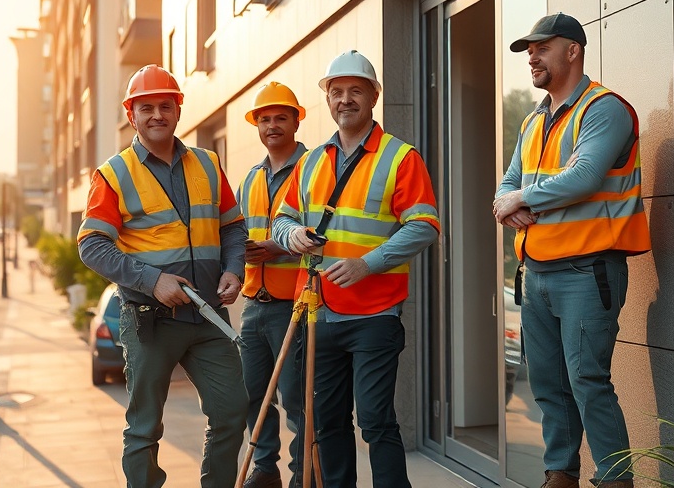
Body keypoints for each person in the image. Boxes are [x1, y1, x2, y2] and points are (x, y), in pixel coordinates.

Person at [492, 13, 651, 488]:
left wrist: (521, 199)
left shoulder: (604, 109)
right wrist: (508, 204)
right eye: (529, 52)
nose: (532, 59)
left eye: (541, 48)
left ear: (573, 51)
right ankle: (560, 475)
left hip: (588, 271)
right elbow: (507, 184)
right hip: (536, 273)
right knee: (548, 385)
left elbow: (583, 178)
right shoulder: (534, 120)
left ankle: (616, 480)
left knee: (588, 382)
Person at [272, 50, 441, 488]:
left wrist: (368, 264)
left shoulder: (400, 157)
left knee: (375, 420)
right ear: (328, 99)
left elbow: (424, 226)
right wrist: (291, 235)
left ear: (373, 97)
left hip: (374, 313)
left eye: (355, 91)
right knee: (327, 421)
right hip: (317, 313)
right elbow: (282, 218)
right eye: (337, 92)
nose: (345, 100)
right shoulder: (310, 161)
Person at [77, 64, 249, 488]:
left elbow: (232, 227)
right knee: (145, 427)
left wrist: (233, 268)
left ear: (178, 110)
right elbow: (91, 245)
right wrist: (153, 281)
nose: (157, 115)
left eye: (166, 106)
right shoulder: (113, 174)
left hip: (208, 316)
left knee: (232, 412)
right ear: (131, 115)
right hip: (150, 320)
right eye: (147, 107)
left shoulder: (208, 163)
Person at [237, 82, 310, 488]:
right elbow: (234, 232)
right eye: (264, 119)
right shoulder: (251, 178)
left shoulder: (313, 169)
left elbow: (323, 234)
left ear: (296, 121)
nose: (272, 125)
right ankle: (265, 468)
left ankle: (303, 474)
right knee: (252, 394)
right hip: (254, 303)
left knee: (296, 399)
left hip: (294, 304)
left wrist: (276, 249)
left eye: (281, 117)